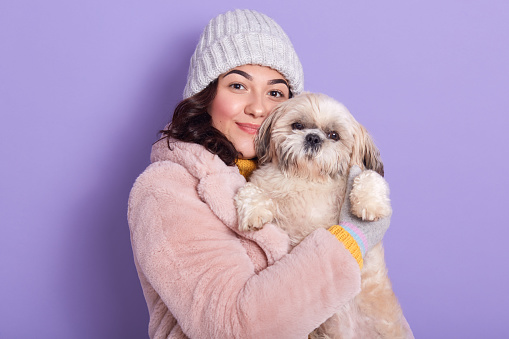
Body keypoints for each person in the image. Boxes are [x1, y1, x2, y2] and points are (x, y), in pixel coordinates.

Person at [128, 9, 400, 338]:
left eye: (275, 93)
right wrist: (351, 240)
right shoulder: (165, 190)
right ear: (206, 96)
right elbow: (231, 328)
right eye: (238, 85)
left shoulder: (289, 178)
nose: (258, 108)